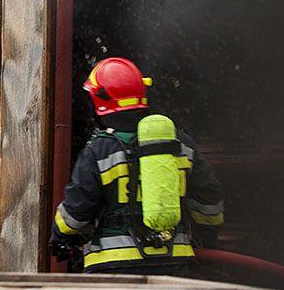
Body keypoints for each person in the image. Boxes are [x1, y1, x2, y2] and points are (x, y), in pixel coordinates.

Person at [51, 57, 225, 275]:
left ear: (99, 99)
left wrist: (60, 236)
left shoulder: (99, 150)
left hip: (113, 268)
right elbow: (210, 201)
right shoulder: (180, 144)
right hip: (172, 265)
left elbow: (76, 213)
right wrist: (207, 240)